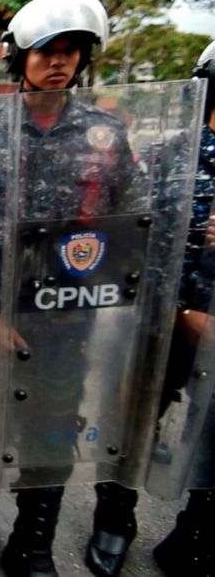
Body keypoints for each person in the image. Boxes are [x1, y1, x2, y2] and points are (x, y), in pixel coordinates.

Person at [0, 0, 145, 577]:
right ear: (20, 57)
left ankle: (34, 540)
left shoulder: (105, 133)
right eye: (45, 51)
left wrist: (112, 294)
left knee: (54, 424)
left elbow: (132, 218)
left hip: (69, 315)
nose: (58, 61)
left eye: (70, 51)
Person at [116, 40, 215, 577]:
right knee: (140, 417)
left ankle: (198, 527)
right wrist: (177, 311)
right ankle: (116, 518)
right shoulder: (173, 151)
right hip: (171, 314)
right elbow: (136, 234)